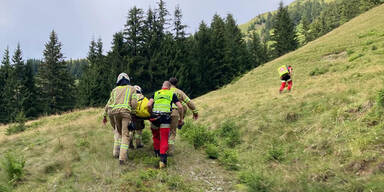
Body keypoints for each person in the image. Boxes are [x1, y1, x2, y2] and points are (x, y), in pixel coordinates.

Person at [103, 73, 138, 165]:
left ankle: (116, 152)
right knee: (125, 135)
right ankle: (122, 158)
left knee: (118, 132)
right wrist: (133, 113)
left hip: (115, 114)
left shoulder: (114, 90)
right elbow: (134, 103)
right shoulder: (132, 89)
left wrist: (105, 115)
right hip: (126, 113)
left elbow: (109, 103)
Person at [147, 81, 184, 168]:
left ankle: (156, 153)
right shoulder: (171, 94)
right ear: (169, 87)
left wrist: (151, 114)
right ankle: (162, 160)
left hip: (155, 118)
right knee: (164, 139)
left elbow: (149, 105)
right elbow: (180, 107)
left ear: (162, 87)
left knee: (155, 136)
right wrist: (181, 119)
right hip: (165, 118)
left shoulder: (156, 93)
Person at [168, 77, 198, 154]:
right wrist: (195, 112)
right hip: (174, 114)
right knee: (172, 132)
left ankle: (160, 148)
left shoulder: (163, 91)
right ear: (176, 84)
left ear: (169, 83)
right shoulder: (179, 92)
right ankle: (170, 150)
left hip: (162, 113)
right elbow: (189, 102)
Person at [129, 85, 146, 149]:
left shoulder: (130, 96)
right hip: (139, 116)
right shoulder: (142, 96)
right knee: (138, 130)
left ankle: (130, 144)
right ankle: (138, 144)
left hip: (130, 115)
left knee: (131, 129)